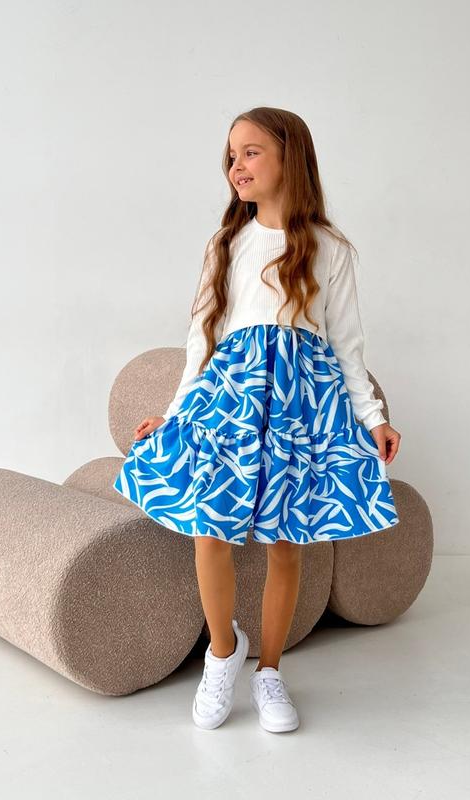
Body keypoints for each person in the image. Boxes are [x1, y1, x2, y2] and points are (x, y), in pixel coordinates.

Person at [113, 106, 401, 734]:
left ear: (289, 157)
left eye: (250, 152)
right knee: (209, 530)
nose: (235, 166)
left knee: (286, 542)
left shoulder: (330, 248)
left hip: (301, 405)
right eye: (231, 156)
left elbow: (348, 345)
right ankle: (224, 652)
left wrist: (372, 416)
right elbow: (201, 338)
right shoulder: (227, 244)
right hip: (231, 399)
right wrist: (175, 414)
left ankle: (269, 670)